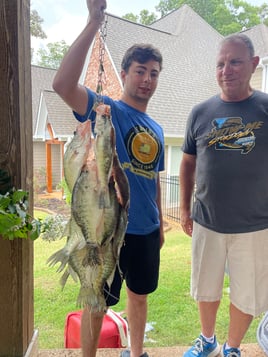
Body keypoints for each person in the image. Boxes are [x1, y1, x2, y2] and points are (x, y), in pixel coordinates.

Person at [52, 1, 165, 357]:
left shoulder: (158, 128)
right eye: (140, 71)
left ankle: (136, 353)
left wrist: (160, 223)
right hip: (108, 226)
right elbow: (62, 84)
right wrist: (93, 23)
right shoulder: (106, 110)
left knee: (139, 295)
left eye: (154, 73)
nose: (147, 79)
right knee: (96, 298)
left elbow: (154, 179)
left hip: (146, 228)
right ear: (126, 73)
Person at [179, 33, 268, 357]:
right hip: (208, 221)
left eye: (235, 62)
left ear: (254, 64)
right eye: (220, 63)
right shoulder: (200, 112)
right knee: (206, 287)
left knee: (247, 293)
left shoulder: (265, 107)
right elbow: (188, 163)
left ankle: (232, 347)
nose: (226, 69)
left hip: (256, 225)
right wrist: (186, 210)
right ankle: (208, 340)